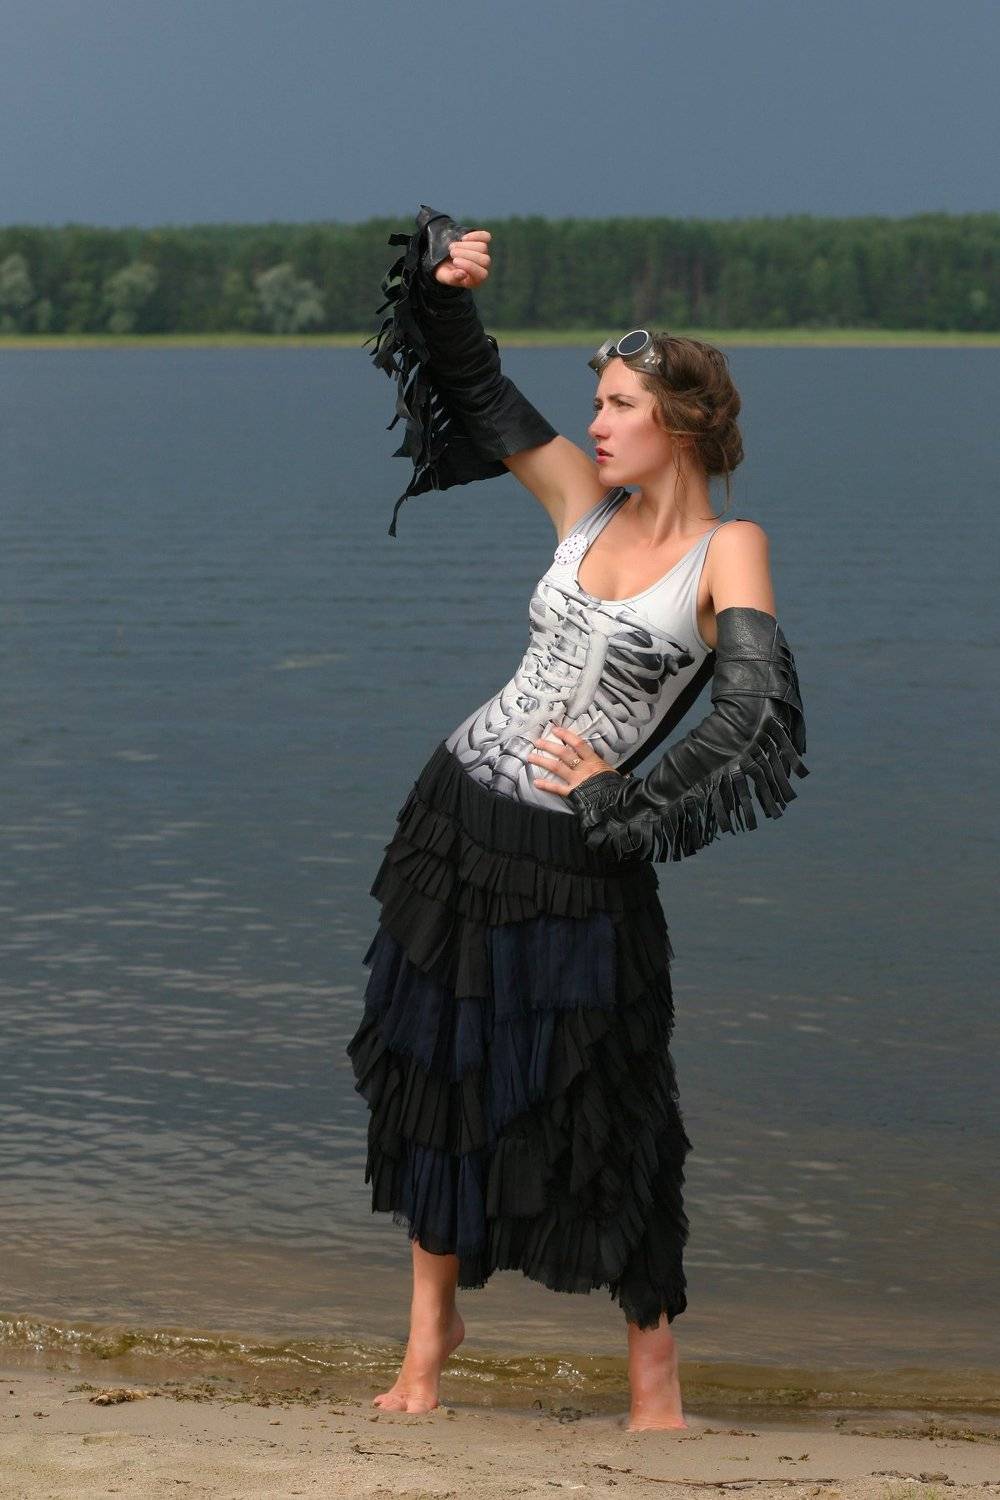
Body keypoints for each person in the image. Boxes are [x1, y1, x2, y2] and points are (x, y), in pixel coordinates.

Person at [346, 205, 809, 1430]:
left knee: (607, 1099)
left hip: (574, 853)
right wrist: (444, 290)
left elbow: (753, 706)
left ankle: (654, 1379)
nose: (594, 423)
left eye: (616, 405)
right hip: (454, 822)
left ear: (681, 425)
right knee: (439, 1069)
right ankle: (427, 1344)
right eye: (595, 402)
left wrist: (622, 796)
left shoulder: (727, 548)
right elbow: (474, 388)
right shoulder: (579, 501)